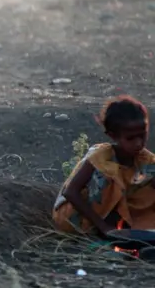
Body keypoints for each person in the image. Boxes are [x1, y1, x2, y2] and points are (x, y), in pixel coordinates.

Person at [53, 96, 155, 235]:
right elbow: (70, 192)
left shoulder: (144, 158)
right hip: (78, 218)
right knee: (108, 177)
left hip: (111, 215)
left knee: (149, 177)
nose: (138, 143)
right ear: (113, 136)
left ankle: (126, 227)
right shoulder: (101, 156)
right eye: (130, 138)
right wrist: (104, 227)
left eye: (142, 135)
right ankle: (105, 230)